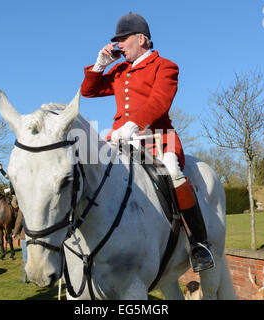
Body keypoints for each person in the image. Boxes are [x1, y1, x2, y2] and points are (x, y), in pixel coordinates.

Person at [80, 12, 214, 272]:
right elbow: (89, 91)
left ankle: (199, 244)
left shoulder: (166, 66)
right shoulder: (119, 70)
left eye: (123, 39)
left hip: (156, 137)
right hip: (120, 139)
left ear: (141, 39)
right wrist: (100, 64)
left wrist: (135, 124)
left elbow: (160, 101)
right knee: (91, 170)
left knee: (173, 173)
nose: (118, 45)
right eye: (116, 41)